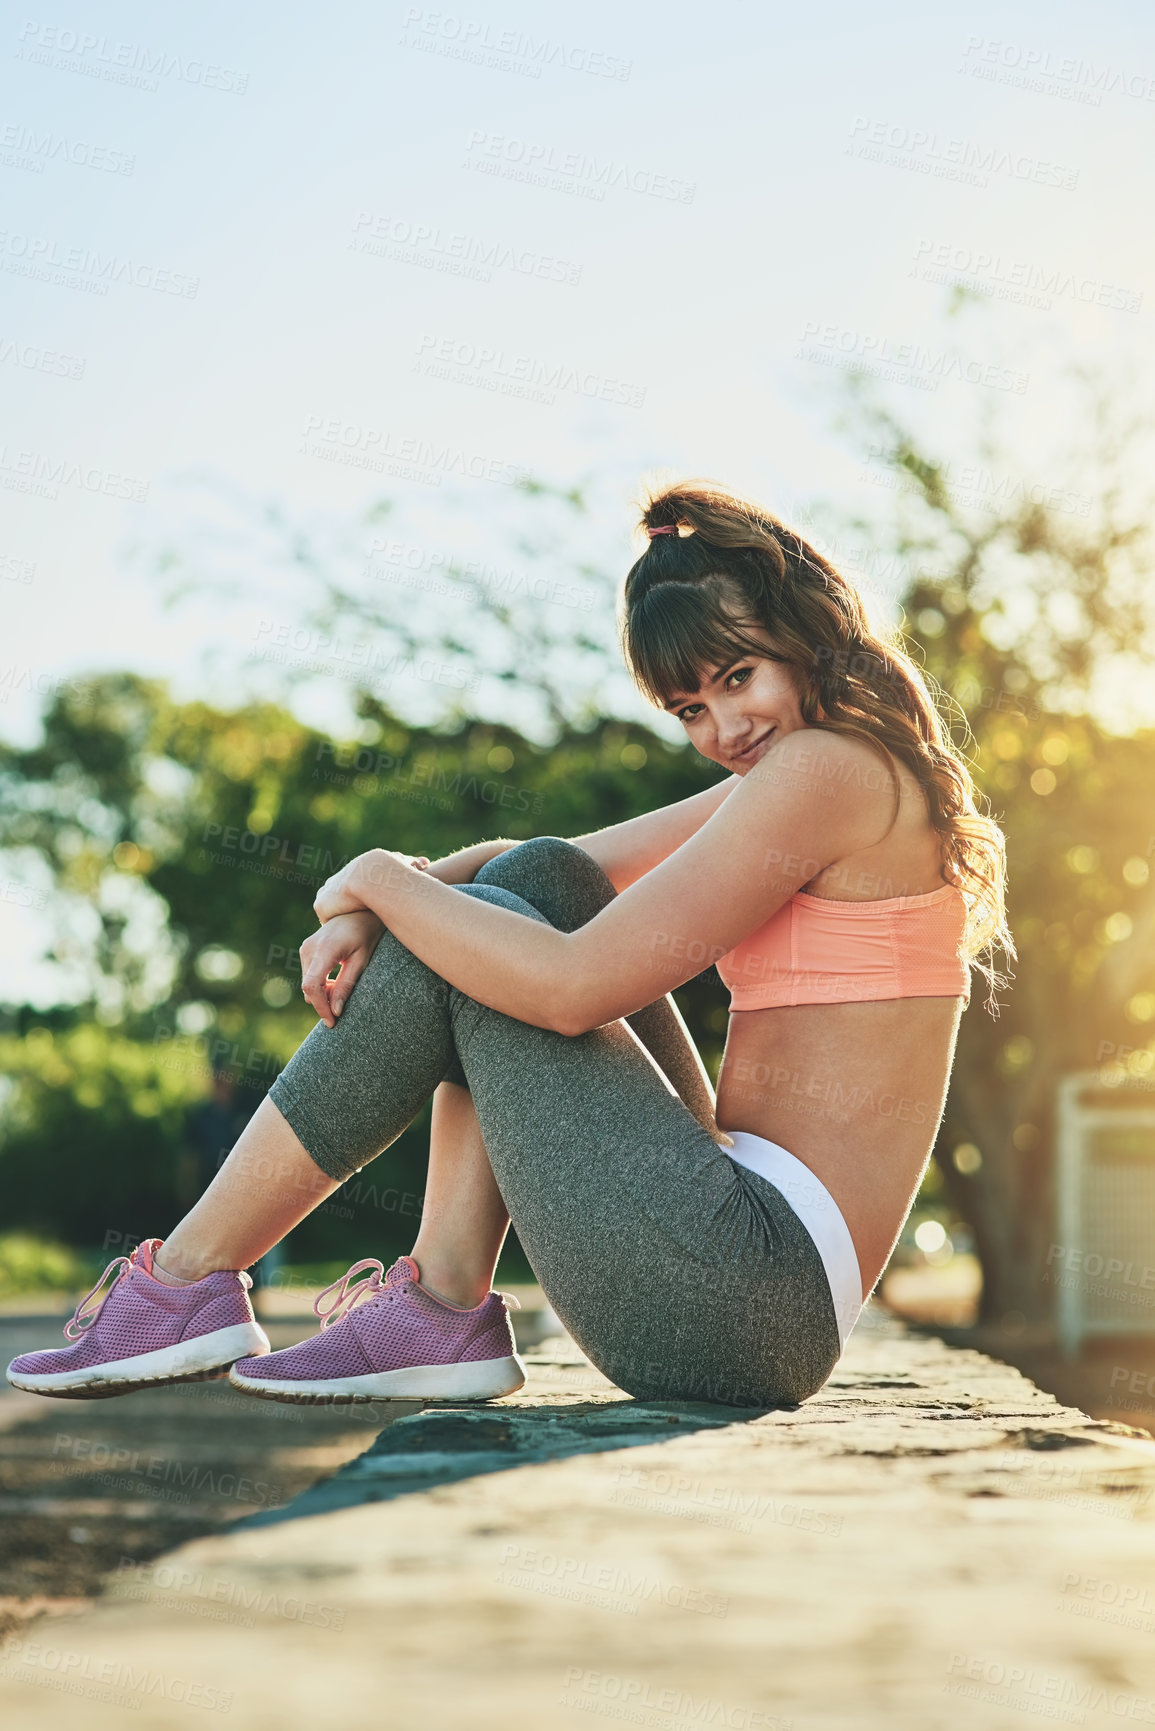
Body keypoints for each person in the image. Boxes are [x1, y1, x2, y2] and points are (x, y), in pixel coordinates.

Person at [7, 482, 1011, 1410]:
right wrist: (377, 896)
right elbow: (547, 862)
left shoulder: (827, 772)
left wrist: (379, 882)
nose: (724, 724)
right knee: (533, 885)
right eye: (690, 709)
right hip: (740, 1265)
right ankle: (429, 1304)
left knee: (503, 946)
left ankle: (189, 1281)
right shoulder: (820, 769)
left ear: (807, 633)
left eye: (739, 676)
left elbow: (572, 991)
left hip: (748, 1298)